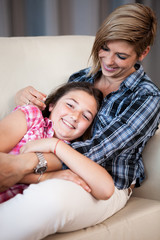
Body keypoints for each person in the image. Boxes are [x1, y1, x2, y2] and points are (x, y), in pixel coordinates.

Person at [0, 3, 160, 240]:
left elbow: (98, 150)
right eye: (104, 48)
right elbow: (49, 121)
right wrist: (24, 97)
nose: (108, 60)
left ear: (143, 53)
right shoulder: (82, 77)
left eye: (121, 55)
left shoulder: (147, 97)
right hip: (55, 165)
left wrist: (25, 164)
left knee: (50, 199)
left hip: (106, 181)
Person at [0, 81, 105, 203]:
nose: (75, 117)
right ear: (52, 105)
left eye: (86, 116)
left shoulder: (70, 153)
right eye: (70, 105)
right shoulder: (32, 116)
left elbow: (104, 189)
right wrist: (46, 177)